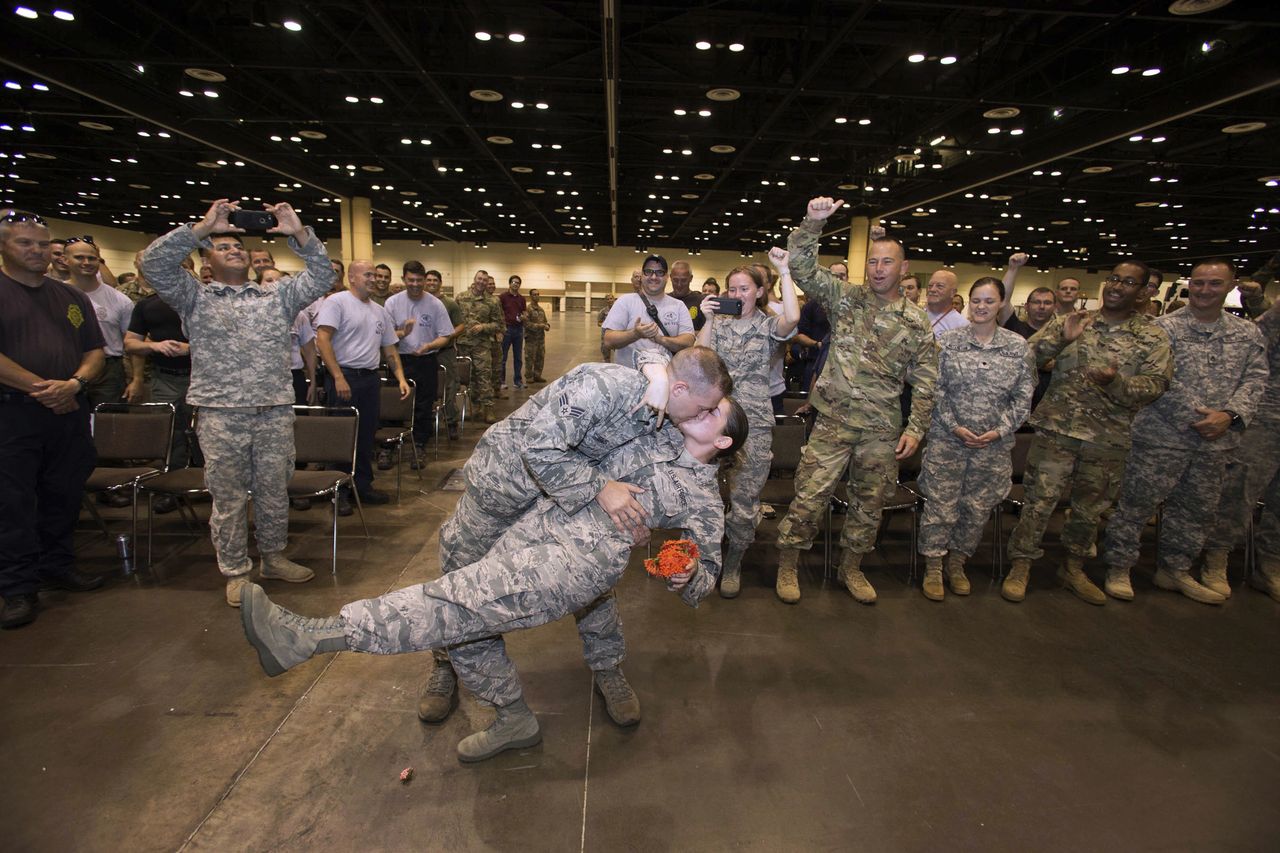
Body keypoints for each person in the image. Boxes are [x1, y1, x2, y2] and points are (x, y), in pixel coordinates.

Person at [239, 394, 746, 763]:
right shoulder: (652, 429)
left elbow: (706, 579)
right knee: (464, 624)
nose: (699, 410)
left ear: (722, 440)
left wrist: (688, 574)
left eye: (712, 413)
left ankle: (309, 637)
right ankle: (513, 719)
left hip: (574, 566)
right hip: (533, 527)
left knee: (452, 604)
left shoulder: (701, 496)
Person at [418, 347, 733, 729]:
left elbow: (665, 354)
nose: (702, 415)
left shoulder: (668, 419)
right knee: (460, 575)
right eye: (703, 408)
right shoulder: (607, 386)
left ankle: (608, 668)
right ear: (680, 388)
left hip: (563, 501)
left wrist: (637, 527)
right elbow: (541, 446)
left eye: (709, 413)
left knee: (593, 589)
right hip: (502, 489)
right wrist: (602, 487)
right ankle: (444, 661)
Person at [139, 199, 336, 606]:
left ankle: (273, 557)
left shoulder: (276, 295)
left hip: (273, 410)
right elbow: (154, 263)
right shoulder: (193, 295)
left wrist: (298, 232)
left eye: (237, 246)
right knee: (228, 497)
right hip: (220, 413)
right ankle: (236, 571)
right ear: (206, 260)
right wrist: (202, 226)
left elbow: (320, 276)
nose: (234, 250)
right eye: (222, 246)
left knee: (274, 490)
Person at [775, 198, 937, 604]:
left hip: (881, 431)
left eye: (888, 262)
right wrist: (813, 222)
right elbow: (802, 269)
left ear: (903, 269)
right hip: (833, 422)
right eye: (874, 262)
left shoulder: (916, 322)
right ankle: (789, 564)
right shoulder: (845, 298)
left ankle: (851, 568)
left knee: (868, 505)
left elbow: (926, 381)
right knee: (809, 496)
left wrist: (916, 428)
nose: (879, 269)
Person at [1002, 260, 1172, 605]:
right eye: (1112, 278)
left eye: (1127, 282)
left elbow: (1156, 385)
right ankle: (1020, 565)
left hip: (1107, 438)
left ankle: (1073, 567)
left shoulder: (1151, 335)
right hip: (1056, 432)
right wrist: (1059, 342)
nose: (1116, 286)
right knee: (1038, 503)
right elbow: (1023, 359)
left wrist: (1117, 383)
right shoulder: (1071, 322)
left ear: (1143, 292)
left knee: (1088, 510)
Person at [1102, 259, 1269, 605]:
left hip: (1217, 444)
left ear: (1230, 286)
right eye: (1198, 283)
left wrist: (1230, 414)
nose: (1205, 290)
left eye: (1214, 283)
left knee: (1196, 511)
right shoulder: (1160, 329)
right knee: (1135, 506)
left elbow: (1255, 379)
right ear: (1189, 285)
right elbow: (1155, 379)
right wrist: (1201, 418)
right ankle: (1118, 567)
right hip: (1160, 437)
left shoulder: (1247, 333)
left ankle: (1175, 570)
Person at [0, 210, 106, 629]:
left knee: (64, 492)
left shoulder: (71, 299)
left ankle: (57, 565)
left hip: (69, 411)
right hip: (13, 412)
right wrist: (42, 388)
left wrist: (74, 385)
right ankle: (16, 586)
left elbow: (95, 351)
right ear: (5, 246)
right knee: (13, 501)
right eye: (25, 243)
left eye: (43, 244)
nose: (37, 251)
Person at [916, 278, 1034, 599]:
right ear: (967, 302)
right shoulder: (947, 343)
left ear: (1001, 304)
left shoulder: (1017, 347)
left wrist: (1000, 430)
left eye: (989, 301)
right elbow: (933, 390)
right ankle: (934, 567)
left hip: (992, 446)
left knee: (976, 508)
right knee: (941, 505)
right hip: (948, 441)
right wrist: (954, 425)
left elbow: (1023, 399)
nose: (981, 307)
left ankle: (958, 562)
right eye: (976, 301)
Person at [697, 253, 798, 596]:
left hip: (753, 423)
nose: (737, 294)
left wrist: (784, 271)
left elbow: (792, 318)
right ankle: (704, 559)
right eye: (732, 289)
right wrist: (707, 319)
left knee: (744, 500)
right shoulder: (720, 324)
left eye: (745, 288)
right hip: (714, 419)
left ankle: (734, 562)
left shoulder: (769, 326)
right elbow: (699, 359)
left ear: (759, 291)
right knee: (703, 493)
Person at [1200, 296, 1280, 601]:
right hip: (1266, 417)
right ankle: (1216, 557)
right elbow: (1252, 361)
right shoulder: (1275, 317)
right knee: (1240, 490)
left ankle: (1271, 565)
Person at [315, 260, 410, 510]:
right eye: (368, 274)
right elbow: (322, 339)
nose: (373, 279)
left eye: (376, 275)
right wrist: (337, 377)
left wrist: (400, 378)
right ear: (352, 277)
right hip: (344, 377)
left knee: (367, 435)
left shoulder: (379, 311)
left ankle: (363, 485)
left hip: (369, 379)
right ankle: (340, 492)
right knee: (342, 436)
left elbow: (389, 348)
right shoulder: (337, 302)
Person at [123, 287, 194, 513]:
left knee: (206, 435)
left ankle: (208, 486)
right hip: (165, 379)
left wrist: (191, 349)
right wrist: (153, 345)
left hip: (203, 378)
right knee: (171, 435)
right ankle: (173, 489)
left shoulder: (200, 299)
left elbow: (227, 341)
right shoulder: (147, 305)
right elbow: (130, 343)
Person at [384, 261, 453, 463]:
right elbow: (385, 336)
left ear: (424, 280)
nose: (415, 284)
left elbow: (446, 336)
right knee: (394, 404)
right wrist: (402, 333)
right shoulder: (393, 303)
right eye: (411, 280)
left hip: (426, 360)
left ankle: (419, 446)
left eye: (419, 280)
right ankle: (388, 446)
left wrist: (429, 346)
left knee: (424, 405)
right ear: (404, 279)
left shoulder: (435, 304)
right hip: (399, 360)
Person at [63, 237, 134, 410]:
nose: (86, 262)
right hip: (68, 366)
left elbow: (131, 341)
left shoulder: (120, 299)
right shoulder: (55, 295)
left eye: (92, 258)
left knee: (109, 425)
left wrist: (136, 378)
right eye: (79, 257)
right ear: (66, 260)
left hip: (109, 371)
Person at [601, 254, 695, 368]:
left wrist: (660, 339)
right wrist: (635, 334)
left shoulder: (679, 306)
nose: (654, 277)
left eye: (659, 272)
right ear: (642, 276)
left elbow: (688, 342)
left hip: (667, 377)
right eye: (648, 271)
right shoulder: (625, 301)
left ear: (667, 277)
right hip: (629, 378)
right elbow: (608, 340)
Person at [456, 270, 503, 424]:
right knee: (469, 378)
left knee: (484, 376)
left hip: (482, 345)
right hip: (463, 344)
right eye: (479, 279)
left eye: (485, 279)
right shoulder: (461, 297)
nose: (482, 282)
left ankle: (488, 408)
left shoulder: (493, 301)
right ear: (474, 279)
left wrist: (483, 327)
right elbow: (454, 320)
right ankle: (474, 407)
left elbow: (498, 324)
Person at [424, 269, 464, 439]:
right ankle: (428, 422)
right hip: (425, 353)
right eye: (429, 280)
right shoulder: (419, 302)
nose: (432, 283)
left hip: (445, 353)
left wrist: (448, 336)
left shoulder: (450, 303)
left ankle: (451, 421)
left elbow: (460, 325)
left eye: (435, 280)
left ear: (440, 283)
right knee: (427, 388)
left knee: (449, 387)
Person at [498, 274, 527, 390]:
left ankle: (517, 381)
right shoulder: (503, 297)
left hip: (518, 330)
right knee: (503, 357)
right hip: (507, 329)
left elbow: (524, 312)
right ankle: (501, 381)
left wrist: (524, 316)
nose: (516, 284)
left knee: (518, 357)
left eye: (518, 282)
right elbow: (498, 312)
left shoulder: (522, 299)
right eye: (514, 282)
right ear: (509, 283)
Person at [924, 269, 969, 338]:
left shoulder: (962, 325)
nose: (932, 289)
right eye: (930, 286)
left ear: (952, 293)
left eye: (939, 286)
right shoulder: (914, 315)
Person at [522, 288, 550, 384]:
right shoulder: (527, 309)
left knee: (540, 357)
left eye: (538, 294)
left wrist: (547, 326)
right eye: (534, 294)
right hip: (531, 339)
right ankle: (529, 376)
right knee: (530, 358)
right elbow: (526, 324)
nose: (536, 296)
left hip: (540, 339)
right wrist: (540, 326)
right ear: (530, 296)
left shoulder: (541, 310)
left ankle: (537, 375)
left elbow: (545, 321)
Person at [668, 260, 705, 331]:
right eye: (675, 280)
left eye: (683, 280)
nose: (679, 284)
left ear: (691, 278)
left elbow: (705, 332)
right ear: (670, 277)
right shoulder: (664, 301)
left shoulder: (701, 302)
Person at [597, 293, 615, 362]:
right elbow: (599, 322)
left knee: (619, 354)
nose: (610, 300)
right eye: (608, 299)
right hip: (605, 335)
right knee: (606, 355)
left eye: (611, 298)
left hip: (616, 334)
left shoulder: (619, 310)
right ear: (605, 301)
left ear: (614, 299)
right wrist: (606, 324)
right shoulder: (603, 311)